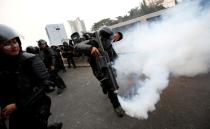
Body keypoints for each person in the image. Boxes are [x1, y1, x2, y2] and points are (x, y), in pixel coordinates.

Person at [0, 24, 62, 129]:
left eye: (14, 42)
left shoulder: (29, 59)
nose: (14, 46)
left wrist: (17, 105)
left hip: (35, 107)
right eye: (7, 43)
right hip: (15, 112)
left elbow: (46, 85)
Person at [74, 26, 125, 117]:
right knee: (110, 87)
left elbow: (115, 56)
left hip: (110, 68)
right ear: (102, 38)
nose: (110, 41)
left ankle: (104, 86)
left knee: (113, 83)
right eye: (108, 40)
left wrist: (121, 65)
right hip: (99, 71)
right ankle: (117, 106)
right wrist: (90, 48)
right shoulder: (94, 42)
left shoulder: (109, 46)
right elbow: (77, 46)